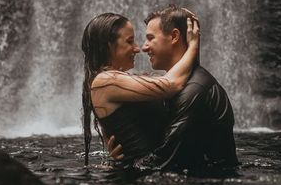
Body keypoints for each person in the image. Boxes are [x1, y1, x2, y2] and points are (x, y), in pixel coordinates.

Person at [108, 5, 239, 174]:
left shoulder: (195, 90)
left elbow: (165, 160)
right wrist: (125, 145)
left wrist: (119, 166)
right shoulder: (179, 85)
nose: (144, 47)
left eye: (150, 38)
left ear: (174, 36)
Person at [81, 12, 200, 166]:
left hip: (149, 171)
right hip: (143, 176)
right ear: (108, 46)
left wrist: (179, 17)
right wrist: (193, 46)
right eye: (129, 41)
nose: (137, 48)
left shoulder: (113, 81)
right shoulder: (105, 82)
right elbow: (171, 85)